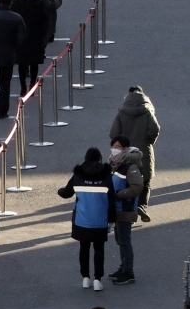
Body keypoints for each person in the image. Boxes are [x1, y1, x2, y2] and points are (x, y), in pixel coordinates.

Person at [57, 148, 116, 291]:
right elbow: (111, 200)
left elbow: (66, 193)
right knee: (99, 249)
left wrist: (59, 190)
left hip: (81, 220)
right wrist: (112, 220)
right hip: (100, 219)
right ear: (100, 159)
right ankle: (97, 279)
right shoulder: (106, 176)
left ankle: (85, 278)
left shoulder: (78, 175)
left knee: (84, 247)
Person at [109, 86, 159, 220]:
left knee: (125, 178)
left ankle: (126, 207)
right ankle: (142, 205)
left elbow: (113, 133)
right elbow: (154, 130)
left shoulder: (121, 112)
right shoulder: (148, 111)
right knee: (145, 180)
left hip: (124, 152)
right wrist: (148, 142)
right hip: (144, 150)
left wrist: (119, 146)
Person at [108, 137, 144, 285]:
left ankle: (128, 272)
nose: (114, 148)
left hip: (125, 208)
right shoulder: (116, 163)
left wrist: (118, 194)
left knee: (124, 241)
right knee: (120, 240)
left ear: (125, 148)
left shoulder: (130, 167)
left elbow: (136, 187)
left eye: (118, 146)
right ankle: (123, 268)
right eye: (113, 146)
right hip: (117, 208)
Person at [10, 0, 49, 93]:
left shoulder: (40, 4)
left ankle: (32, 84)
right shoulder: (16, 4)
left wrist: (44, 38)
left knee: (34, 63)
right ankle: (23, 86)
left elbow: (46, 22)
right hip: (21, 38)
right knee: (22, 64)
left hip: (35, 38)